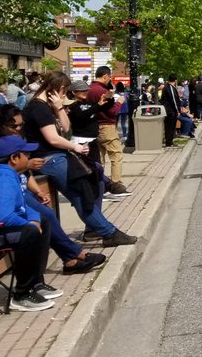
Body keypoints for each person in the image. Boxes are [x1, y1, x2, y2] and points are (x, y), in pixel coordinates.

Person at [0, 106, 106, 275]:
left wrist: (38, 191)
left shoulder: (12, 139)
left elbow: (22, 172)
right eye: (14, 126)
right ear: (1, 125)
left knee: (45, 214)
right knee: (42, 218)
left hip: (13, 186)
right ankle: (70, 257)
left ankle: (69, 259)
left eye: (21, 125)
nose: (19, 129)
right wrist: (29, 225)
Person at [22, 72, 137, 248]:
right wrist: (74, 146)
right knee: (81, 194)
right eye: (64, 91)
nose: (64, 95)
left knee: (95, 173)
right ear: (59, 89)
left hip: (56, 156)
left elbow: (66, 127)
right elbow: (53, 138)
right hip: (49, 158)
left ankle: (101, 217)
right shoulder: (38, 108)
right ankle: (108, 232)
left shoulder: (48, 106)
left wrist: (59, 108)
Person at [0, 135, 56, 311]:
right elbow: (3, 216)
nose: (29, 158)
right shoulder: (2, 176)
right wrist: (30, 225)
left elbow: (22, 206)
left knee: (42, 222)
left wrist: (34, 219)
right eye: (26, 155)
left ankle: (35, 284)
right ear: (14, 158)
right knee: (28, 233)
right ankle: (21, 295)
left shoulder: (7, 173)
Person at [90, 67, 128, 195]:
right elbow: (112, 111)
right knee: (116, 155)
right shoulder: (103, 91)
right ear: (105, 76)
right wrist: (119, 103)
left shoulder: (89, 89)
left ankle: (100, 185)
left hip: (94, 126)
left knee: (99, 159)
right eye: (109, 77)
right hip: (107, 126)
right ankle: (115, 185)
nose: (109, 80)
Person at [161, 74, 182, 147]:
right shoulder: (170, 88)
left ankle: (169, 141)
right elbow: (174, 100)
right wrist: (178, 110)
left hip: (168, 110)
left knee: (170, 127)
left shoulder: (166, 87)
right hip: (171, 111)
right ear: (175, 80)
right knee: (170, 127)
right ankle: (169, 142)